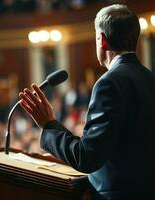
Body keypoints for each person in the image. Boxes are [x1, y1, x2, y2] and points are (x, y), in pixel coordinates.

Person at [19, 4, 155, 200]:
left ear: (102, 40)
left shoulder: (109, 83)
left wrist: (49, 125)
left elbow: (87, 158)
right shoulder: (149, 78)